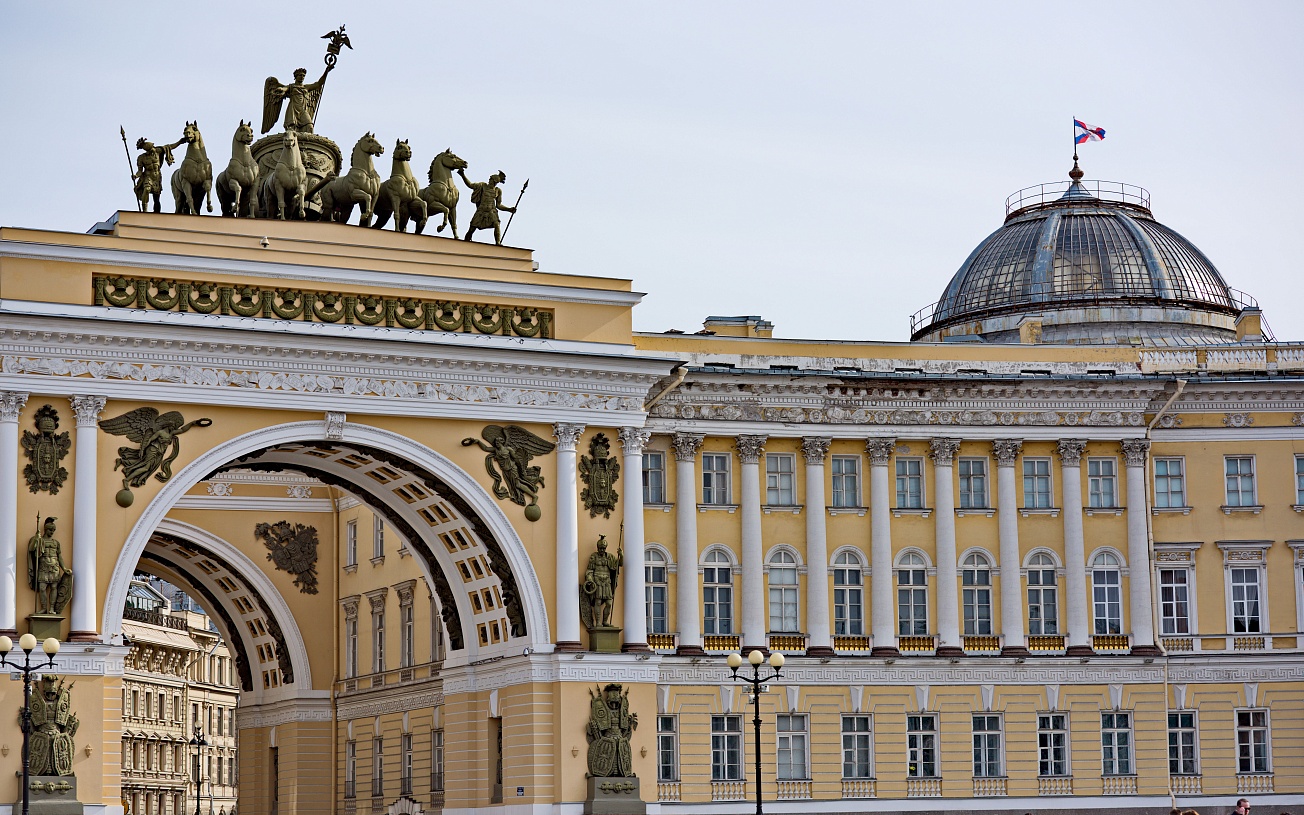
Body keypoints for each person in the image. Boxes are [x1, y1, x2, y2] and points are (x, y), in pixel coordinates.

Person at [458, 169, 516, 245]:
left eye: (491, 179)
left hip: (492, 211)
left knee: (497, 224)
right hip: (481, 210)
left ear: (495, 181)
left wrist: (509, 209)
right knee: (472, 228)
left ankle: (498, 243)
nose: (489, 180)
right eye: (489, 179)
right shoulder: (482, 186)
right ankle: (466, 242)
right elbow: (470, 185)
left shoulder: (498, 191)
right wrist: (462, 175)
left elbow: (499, 205)